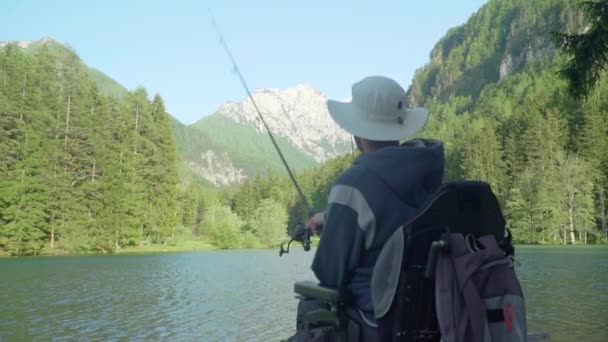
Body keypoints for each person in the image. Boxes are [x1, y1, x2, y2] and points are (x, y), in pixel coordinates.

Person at [297, 76, 445, 340]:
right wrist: (332, 218)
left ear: (357, 133)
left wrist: (337, 229)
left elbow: (329, 274)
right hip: (432, 323)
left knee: (310, 302)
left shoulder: (352, 187)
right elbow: (392, 216)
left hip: (374, 326)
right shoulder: (430, 181)